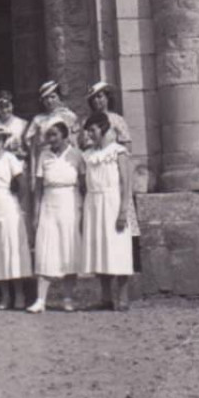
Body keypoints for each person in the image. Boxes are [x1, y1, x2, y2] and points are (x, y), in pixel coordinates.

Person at [79, 111, 136, 311]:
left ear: (103, 128)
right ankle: (105, 297)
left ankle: (123, 297)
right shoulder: (87, 155)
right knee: (99, 250)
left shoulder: (118, 151)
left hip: (113, 202)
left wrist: (123, 211)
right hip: (93, 203)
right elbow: (83, 184)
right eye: (88, 131)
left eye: (93, 130)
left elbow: (126, 182)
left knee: (118, 248)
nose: (90, 134)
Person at [29, 120, 84, 314]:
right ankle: (40, 300)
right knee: (46, 248)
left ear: (64, 136)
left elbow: (84, 185)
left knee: (69, 249)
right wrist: (35, 213)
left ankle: (67, 299)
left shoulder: (77, 155)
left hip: (70, 204)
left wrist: (83, 210)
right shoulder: (44, 155)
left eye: (54, 135)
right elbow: (37, 189)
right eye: (48, 135)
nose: (50, 139)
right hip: (48, 204)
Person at [86, 80, 140, 259]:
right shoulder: (88, 122)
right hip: (98, 173)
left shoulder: (116, 120)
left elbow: (127, 147)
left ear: (107, 97)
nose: (97, 102)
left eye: (100, 97)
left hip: (115, 171)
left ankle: (126, 257)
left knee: (121, 217)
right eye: (93, 99)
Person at [0, 123, 32, 309]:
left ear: (3, 141)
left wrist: (19, 204)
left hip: (9, 205)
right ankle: (5, 296)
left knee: (12, 249)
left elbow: (22, 184)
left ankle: (19, 295)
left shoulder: (10, 159)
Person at [26, 80, 80, 165]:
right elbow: (33, 151)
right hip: (45, 161)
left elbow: (75, 143)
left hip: (66, 160)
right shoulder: (38, 120)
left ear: (59, 97)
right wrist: (33, 174)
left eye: (53, 97)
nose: (49, 101)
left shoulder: (69, 116)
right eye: (46, 98)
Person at [0, 91, 29, 160]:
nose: (4, 110)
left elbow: (29, 150)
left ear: (12, 105)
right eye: (1, 107)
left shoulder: (23, 124)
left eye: (7, 106)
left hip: (19, 163)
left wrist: (21, 152)